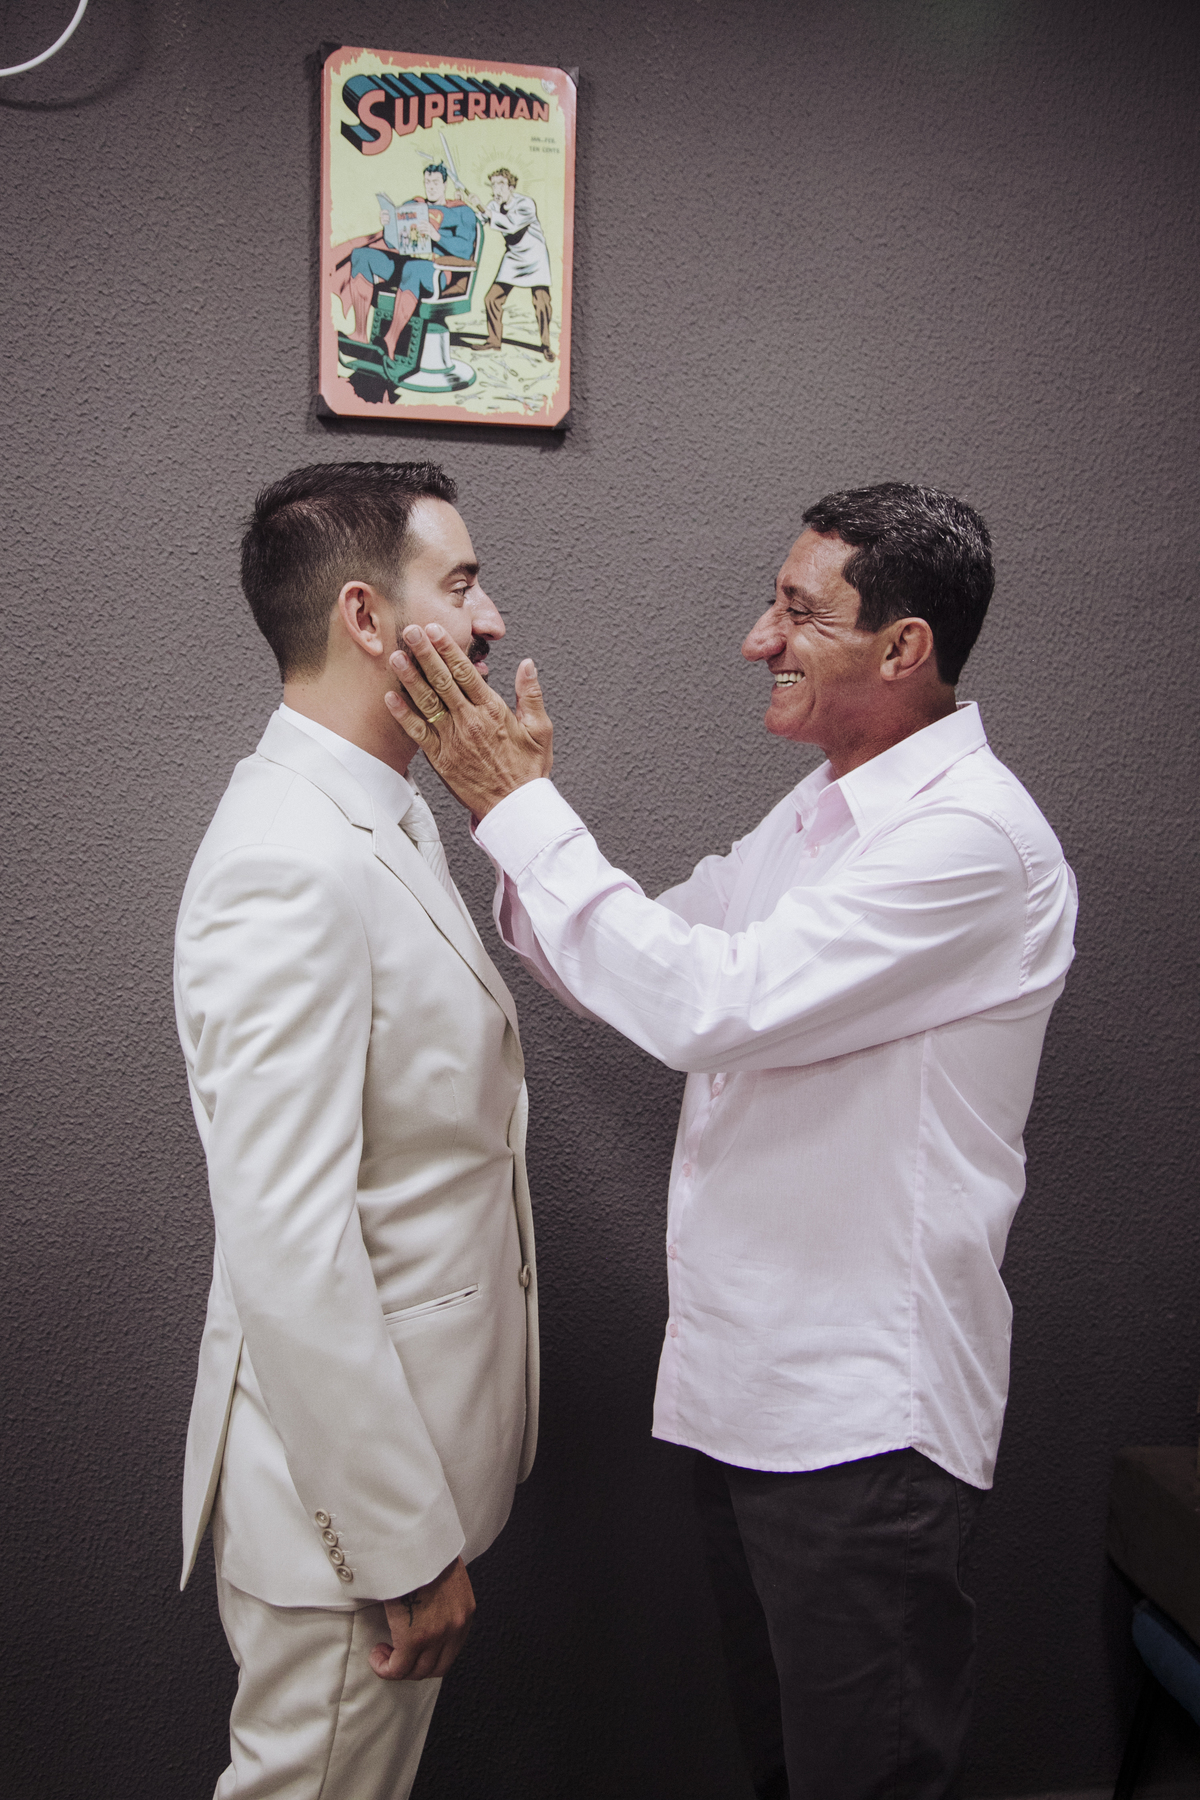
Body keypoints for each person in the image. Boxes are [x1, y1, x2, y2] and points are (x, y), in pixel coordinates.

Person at [382, 482, 1078, 1799]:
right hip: (757, 1396)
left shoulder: (970, 839)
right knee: (786, 1770)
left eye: (798, 612)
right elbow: (644, 957)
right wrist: (505, 814)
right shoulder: (822, 809)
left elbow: (706, 1006)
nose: (759, 640)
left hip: (863, 1419)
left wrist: (522, 810)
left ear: (905, 647)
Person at [174, 460, 538, 1800]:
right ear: (366, 618)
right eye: (462, 584)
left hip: (405, 1471)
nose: (491, 619)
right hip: (351, 1525)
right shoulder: (290, 857)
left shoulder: (382, 810)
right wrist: (397, 1543)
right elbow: (288, 1243)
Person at [328, 164, 477, 366]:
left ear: (444, 184)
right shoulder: (413, 205)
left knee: (412, 269)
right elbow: (392, 244)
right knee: (362, 255)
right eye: (427, 182)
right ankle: (360, 334)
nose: (431, 187)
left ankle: (390, 341)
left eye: (435, 182)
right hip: (407, 260)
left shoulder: (461, 212)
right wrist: (389, 225)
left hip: (437, 270)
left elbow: (465, 250)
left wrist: (437, 236)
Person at [469, 168, 554, 360]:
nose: (496, 189)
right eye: (493, 185)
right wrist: (465, 206)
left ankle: (546, 345)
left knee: (542, 303)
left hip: (535, 256)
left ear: (511, 187)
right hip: (514, 257)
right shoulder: (493, 205)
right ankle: (494, 340)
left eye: (501, 184)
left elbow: (512, 224)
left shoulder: (526, 204)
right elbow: (477, 222)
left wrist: (483, 209)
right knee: (492, 298)